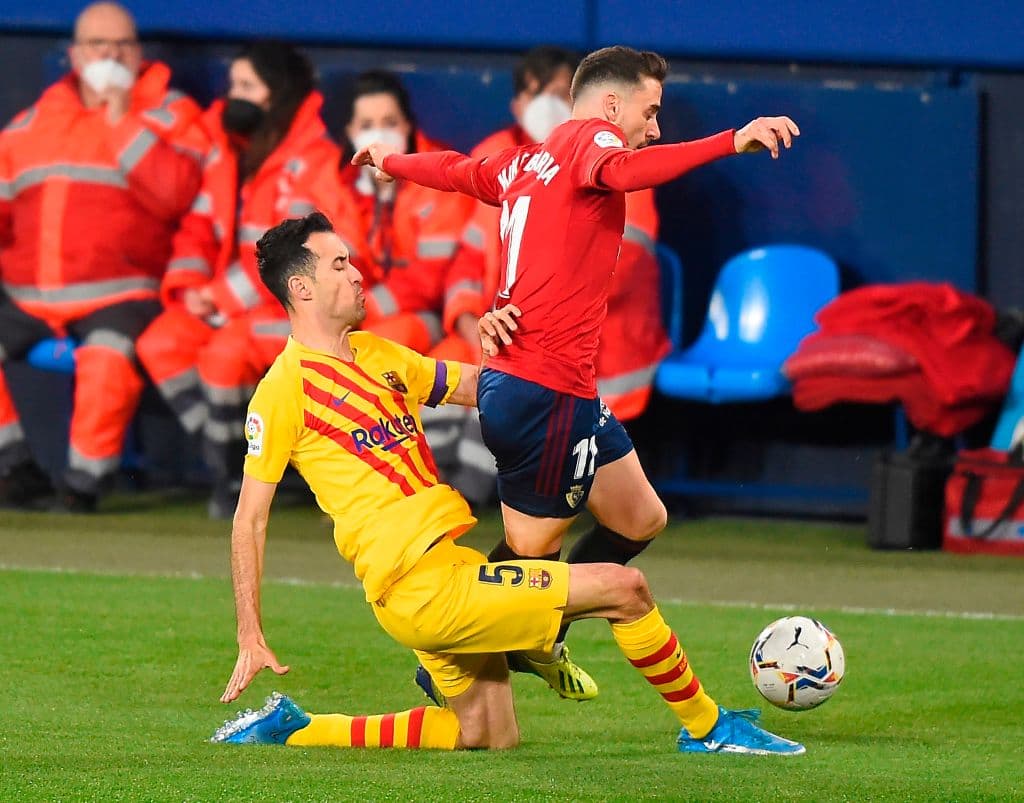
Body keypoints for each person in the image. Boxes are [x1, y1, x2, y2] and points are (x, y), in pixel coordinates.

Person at [210, 211, 804, 757]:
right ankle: (708, 728)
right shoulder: (282, 391)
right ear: (301, 287)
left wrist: (522, 353)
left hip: (447, 573)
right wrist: (250, 635)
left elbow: (480, 385)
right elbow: (250, 519)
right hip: (422, 592)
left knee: (487, 735)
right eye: (339, 263)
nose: (357, 272)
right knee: (627, 589)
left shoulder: (373, 353)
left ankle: (299, 727)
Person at [353, 45, 799, 698]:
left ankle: (540, 629)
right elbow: (627, 169)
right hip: (541, 393)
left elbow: (455, 170)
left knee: (640, 516)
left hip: (565, 390)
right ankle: (446, 656)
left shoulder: (526, 159)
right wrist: (733, 139)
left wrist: (389, 160)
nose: (654, 126)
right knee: (529, 557)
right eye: (649, 111)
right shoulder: (593, 143)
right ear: (611, 105)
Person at [425, 45, 668, 518]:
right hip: (512, 342)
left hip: (586, 350)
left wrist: (521, 316)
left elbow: (615, 271)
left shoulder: (618, 164)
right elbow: (468, 253)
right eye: (535, 93)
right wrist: (472, 316)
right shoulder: (506, 158)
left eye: (556, 91)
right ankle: (440, 504)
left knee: (627, 522)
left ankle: (467, 507)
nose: (547, 103)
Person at [0, 1, 205, 511]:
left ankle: (81, 488)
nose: (110, 52)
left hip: (123, 291)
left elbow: (178, 195)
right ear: (74, 54)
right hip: (29, 297)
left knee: (107, 355)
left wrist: (121, 120)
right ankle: (15, 467)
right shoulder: (32, 123)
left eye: (123, 43)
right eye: (98, 43)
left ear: (139, 54)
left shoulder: (169, 112)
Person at [135, 41, 353, 518]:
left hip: (288, 308)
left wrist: (215, 298)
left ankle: (240, 476)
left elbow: (294, 257)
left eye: (246, 86)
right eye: (233, 84)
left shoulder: (311, 159)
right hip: (226, 302)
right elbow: (198, 225)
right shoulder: (228, 151)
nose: (234, 96)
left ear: (277, 95)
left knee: (223, 355)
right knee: (160, 344)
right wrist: (190, 287)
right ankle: (237, 460)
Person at [337, 71, 474, 354]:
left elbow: (429, 281)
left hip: (428, 316)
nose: (378, 133)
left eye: (390, 122)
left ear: (407, 126)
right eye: (366, 124)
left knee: (377, 346)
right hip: (359, 316)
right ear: (350, 131)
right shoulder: (340, 187)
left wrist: (363, 311)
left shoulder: (441, 176)